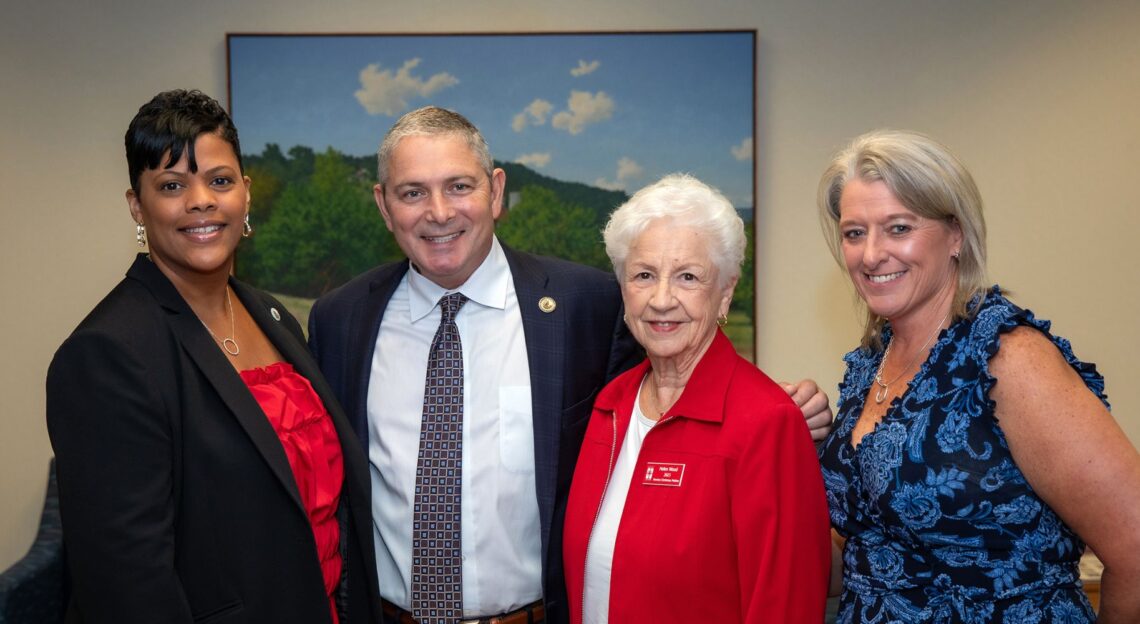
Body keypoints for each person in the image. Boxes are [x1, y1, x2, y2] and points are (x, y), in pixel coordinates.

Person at [307, 106, 833, 624]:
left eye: (459, 186)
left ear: (495, 190)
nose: (439, 212)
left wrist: (777, 413)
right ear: (383, 204)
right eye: (412, 192)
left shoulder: (584, 305)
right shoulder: (341, 322)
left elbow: (682, 384)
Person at [46, 89, 382, 624]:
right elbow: (128, 587)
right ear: (137, 205)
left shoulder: (272, 316)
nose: (200, 200)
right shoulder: (106, 354)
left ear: (245, 193)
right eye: (172, 185)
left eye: (219, 181)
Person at [815, 130, 1140, 623]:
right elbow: (868, 550)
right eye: (854, 232)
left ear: (957, 235)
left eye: (899, 228)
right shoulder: (870, 365)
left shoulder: (1006, 359)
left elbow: (1135, 544)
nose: (871, 254)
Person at [560, 173, 831, 623]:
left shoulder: (765, 421)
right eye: (644, 275)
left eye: (688, 277)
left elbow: (785, 605)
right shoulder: (611, 404)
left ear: (725, 292)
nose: (662, 299)